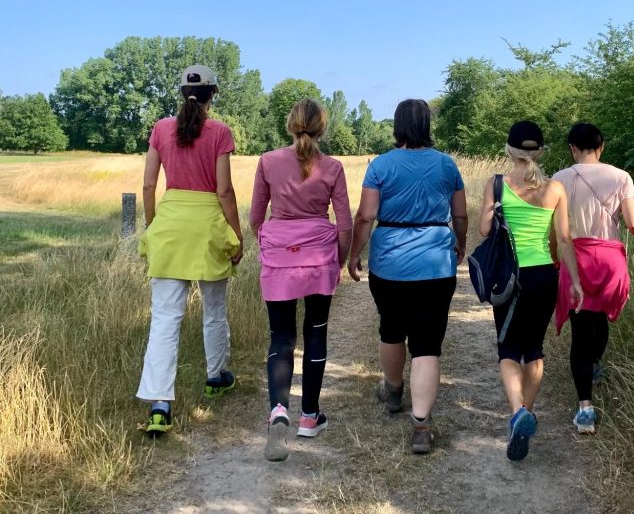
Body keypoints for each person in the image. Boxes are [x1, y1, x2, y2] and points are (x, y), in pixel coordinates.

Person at [347, 98, 468, 455]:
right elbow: (459, 216)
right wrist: (459, 245)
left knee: (391, 327)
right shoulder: (447, 165)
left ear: (397, 125)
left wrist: (355, 253)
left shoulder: (380, 165)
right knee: (427, 342)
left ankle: (393, 389)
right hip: (436, 263)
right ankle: (421, 425)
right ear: (428, 124)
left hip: (389, 263)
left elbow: (365, 217)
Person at [137, 64, 243, 435]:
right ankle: (216, 376)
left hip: (169, 225)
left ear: (182, 93)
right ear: (214, 93)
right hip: (207, 226)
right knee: (214, 308)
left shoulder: (161, 129)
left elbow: (149, 186)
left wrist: (154, 228)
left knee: (165, 318)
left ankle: (159, 404)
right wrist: (237, 235)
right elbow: (225, 191)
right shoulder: (219, 132)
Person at [250, 98, 352, 462]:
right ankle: (310, 415)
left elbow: (255, 218)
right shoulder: (333, 167)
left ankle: (278, 409)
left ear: (289, 125)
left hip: (279, 255)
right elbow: (345, 222)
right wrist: (339, 260)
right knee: (315, 332)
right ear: (322, 128)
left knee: (280, 336)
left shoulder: (268, 161)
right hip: (318, 258)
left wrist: (272, 242)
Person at [478, 120, 583, 461]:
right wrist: (576, 282)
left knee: (508, 348)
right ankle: (526, 410)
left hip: (510, 277)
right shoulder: (555, 189)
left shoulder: (497, 184)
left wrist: (496, 211)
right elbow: (564, 239)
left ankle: (517, 413)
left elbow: (483, 231)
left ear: (509, 150)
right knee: (533, 349)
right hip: (544, 276)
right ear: (540, 151)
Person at [552, 122, 634, 434]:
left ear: (572, 148)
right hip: (609, 259)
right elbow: (633, 223)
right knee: (602, 320)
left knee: (581, 332)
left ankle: (585, 409)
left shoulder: (560, 179)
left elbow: (558, 230)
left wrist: (554, 256)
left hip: (576, 257)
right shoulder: (621, 176)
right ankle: (594, 364)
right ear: (601, 146)